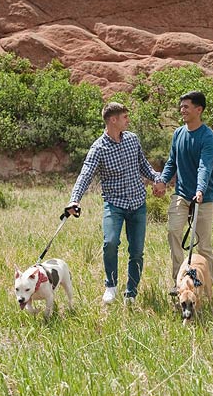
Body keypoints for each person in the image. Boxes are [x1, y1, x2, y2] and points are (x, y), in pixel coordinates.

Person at [67, 102, 162, 305]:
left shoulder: (132, 140)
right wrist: (74, 199)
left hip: (138, 203)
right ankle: (111, 285)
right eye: (125, 117)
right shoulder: (98, 148)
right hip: (114, 205)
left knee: (136, 251)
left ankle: (131, 294)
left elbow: (144, 165)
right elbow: (85, 175)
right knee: (110, 243)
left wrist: (157, 178)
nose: (128, 120)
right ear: (113, 120)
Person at [154, 91, 213, 295]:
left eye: (186, 107)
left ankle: (206, 287)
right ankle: (180, 282)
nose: (182, 110)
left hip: (203, 196)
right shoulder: (178, 134)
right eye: (181, 106)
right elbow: (172, 161)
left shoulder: (207, 136)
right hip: (181, 194)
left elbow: (204, 166)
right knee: (173, 232)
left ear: (199, 110)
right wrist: (163, 180)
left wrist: (200, 189)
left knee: (203, 245)